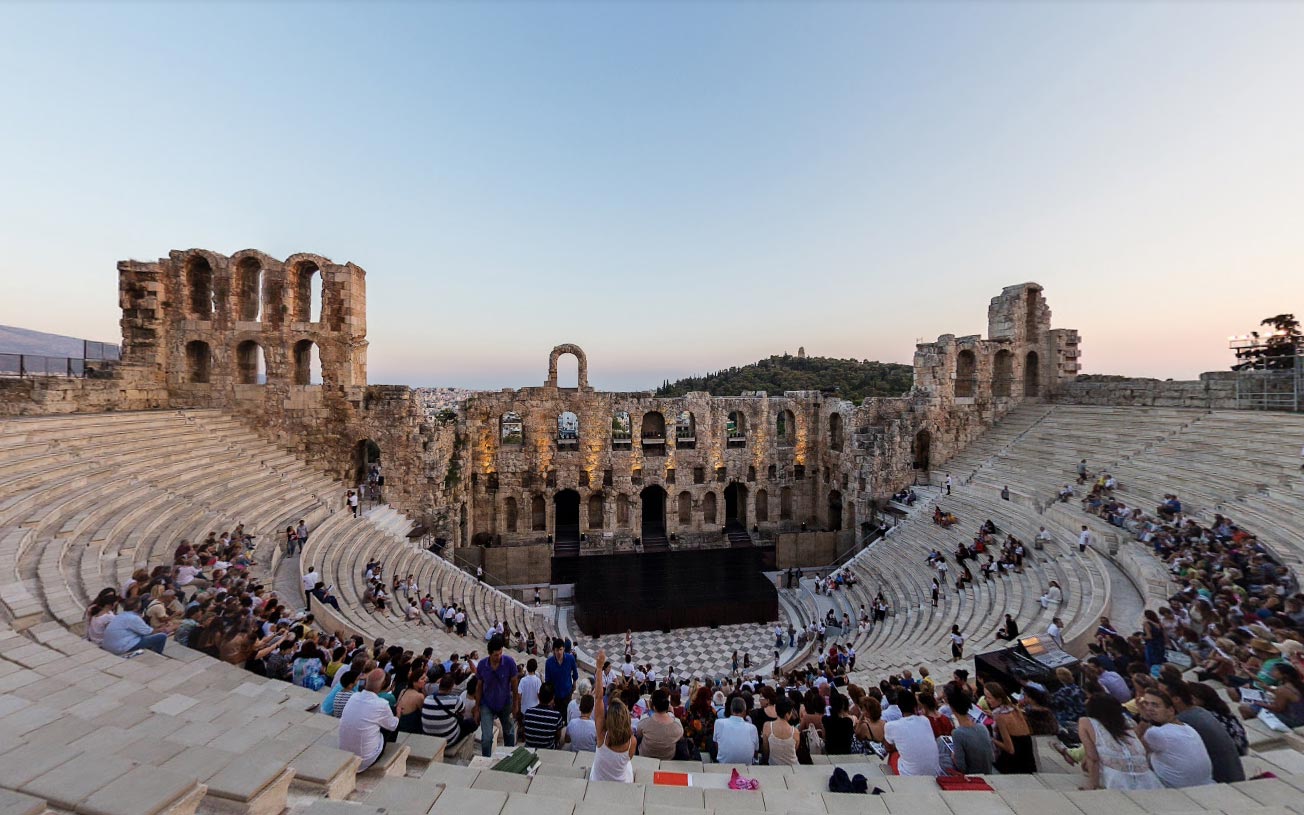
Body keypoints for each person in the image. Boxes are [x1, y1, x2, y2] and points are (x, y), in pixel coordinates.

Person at [1163, 680, 1244, 783]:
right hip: (1232, 772)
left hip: (1220, 778)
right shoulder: (1200, 712)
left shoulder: (1184, 720)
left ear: (1176, 699)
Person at [1078, 693, 1161, 790]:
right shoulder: (1127, 721)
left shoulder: (1086, 722)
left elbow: (1092, 757)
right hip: (1147, 778)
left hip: (1115, 778)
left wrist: (1092, 784)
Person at [1137, 689, 1213, 788]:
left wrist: (1144, 719)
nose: (1149, 709)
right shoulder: (1187, 727)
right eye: (1146, 704)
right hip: (1203, 784)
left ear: (1170, 711)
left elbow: (1135, 749)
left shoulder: (1157, 733)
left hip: (1175, 788)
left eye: (1155, 705)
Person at [589, 649, 636, 782]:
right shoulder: (632, 742)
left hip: (598, 780)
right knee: (628, 765)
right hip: (622, 781)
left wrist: (599, 668)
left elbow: (598, 698)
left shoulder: (601, 736)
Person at [339, 669, 399, 771]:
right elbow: (393, 725)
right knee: (391, 719)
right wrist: (398, 714)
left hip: (344, 751)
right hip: (365, 759)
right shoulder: (381, 704)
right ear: (384, 684)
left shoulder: (354, 696)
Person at [473, 635, 519, 757]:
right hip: (487, 703)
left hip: (505, 702)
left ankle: (509, 758)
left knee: (509, 733)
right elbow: (479, 686)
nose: (498, 657)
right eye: (495, 655)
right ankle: (485, 760)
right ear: (489, 653)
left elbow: (514, 685)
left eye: (500, 654)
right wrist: (477, 708)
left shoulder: (509, 663)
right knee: (487, 738)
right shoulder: (483, 665)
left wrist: (515, 704)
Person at [884, 689, 940, 776]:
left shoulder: (891, 726)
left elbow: (888, 747)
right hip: (934, 772)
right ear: (915, 706)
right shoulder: (925, 720)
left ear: (899, 707)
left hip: (911, 775)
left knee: (893, 755)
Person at [986, 682, 1036, 774]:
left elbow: (1010, 749)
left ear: (999, 699)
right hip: (1029, 761)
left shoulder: (1000, 717)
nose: (986, 700)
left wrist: (991, 739)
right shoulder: (1014, 709)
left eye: (989, 698)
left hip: (1014, 765)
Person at [944, 685, 993, 775]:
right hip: (988, 771)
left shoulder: (958, 733)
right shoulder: (982, 727)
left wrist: (953, 756)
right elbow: (991, 756)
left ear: (952, 708)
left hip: (973, 776)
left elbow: (961, 766)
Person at [100, 596, 171, 655]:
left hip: (109, 645)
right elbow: (148, 632)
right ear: (137, 607)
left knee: (144, 635)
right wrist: (162, 629)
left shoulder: (120, 615)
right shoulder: (133, 618)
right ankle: (156, 655)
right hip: (120, 648)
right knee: (162, 636)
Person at [637, 688, 684, 759]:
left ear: (654, 707)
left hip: (646, 756)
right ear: (667, 705)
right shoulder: (677, 726)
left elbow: (638, 734)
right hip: (668, 757)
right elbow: (680, 738)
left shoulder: (644, 721)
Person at [714, 696, 761, 765]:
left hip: (724, 764)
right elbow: (755, 752)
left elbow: (717, 746)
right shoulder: (752, 728)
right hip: (746, 766)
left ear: (731, 710)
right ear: (745, 711)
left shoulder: (719, 723)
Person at [522, 682, 566, 749]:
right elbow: (558, 736)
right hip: (548, 749)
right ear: (553, 698)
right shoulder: (556, 716)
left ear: (539, 696)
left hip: (529, 749)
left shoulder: (528, 712)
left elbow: (525, 733)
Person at [762, 698, 801, 766]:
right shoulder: (795, 732)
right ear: (787, 714)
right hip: (793, 766)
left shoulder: (767, 726)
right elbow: (794, 750)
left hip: (773, 765)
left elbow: (765, 750)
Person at [545, 638, 580, 711]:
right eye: (557, 650)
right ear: (553, 650)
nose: (559, 652)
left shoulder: (570, 658)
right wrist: (550, 696)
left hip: (567, 691)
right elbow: (547, 680)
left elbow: (575, 671)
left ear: (564, 649)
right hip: (555, 694)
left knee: (566, 711)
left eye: (561, 649)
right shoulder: (549, 662)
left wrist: (574, 683)